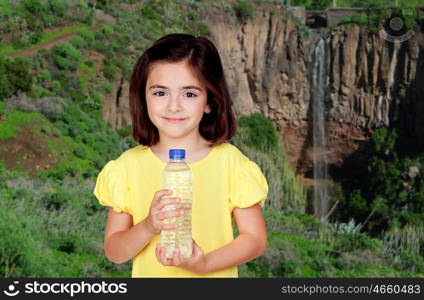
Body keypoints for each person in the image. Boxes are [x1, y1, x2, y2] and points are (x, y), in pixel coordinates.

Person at [93, 33, 269, 278]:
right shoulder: (127, 168)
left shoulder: (231, 163)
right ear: (143, 98)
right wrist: (148, 226)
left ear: (209, 100)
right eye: (160, 93)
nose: (173, 106)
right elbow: (115, 252)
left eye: (189, 94)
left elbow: (255, 239)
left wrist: (205, 264)